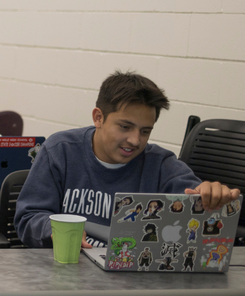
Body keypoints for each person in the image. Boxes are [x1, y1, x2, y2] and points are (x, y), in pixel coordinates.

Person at [14, 71, 241, 248]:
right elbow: (28, 217)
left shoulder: (160, 164)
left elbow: (195, 195)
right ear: (98, 117)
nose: (134, 140)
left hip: (133, 282)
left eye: (145, 131)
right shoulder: (60, 151)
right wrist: (55, 229)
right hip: (67, 273)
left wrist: (210, 194)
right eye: (125, 126)